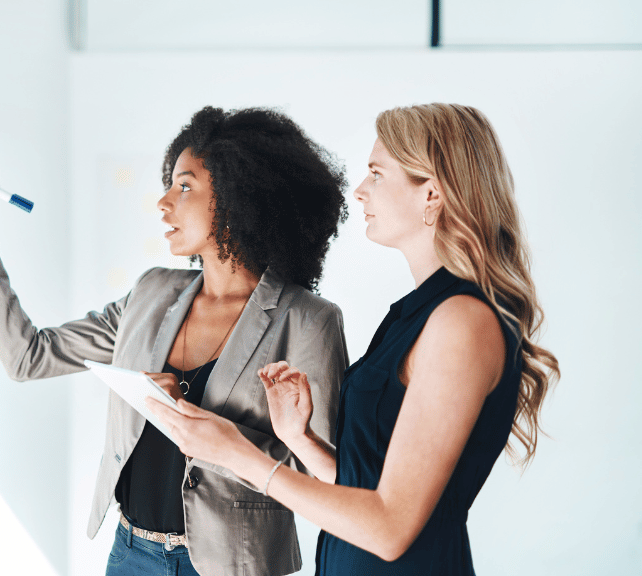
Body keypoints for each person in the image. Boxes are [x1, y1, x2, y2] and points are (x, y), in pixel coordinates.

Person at [149, 103, 561, 575]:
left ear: (430, 194)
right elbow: (367, 488)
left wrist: (237, 453)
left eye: (377, 174)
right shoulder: (414, 314)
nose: (360, 190)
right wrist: (298, 439)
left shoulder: (462, 323)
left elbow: (388, 530)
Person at [0, 106, 349, 576]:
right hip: (129, 555)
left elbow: (325, 480)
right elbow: (28, 356)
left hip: (232, 566)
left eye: (185, 186)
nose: (164, 202)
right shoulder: (152, 292)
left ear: (242, 195)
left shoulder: (307, 321)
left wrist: (188, 415)